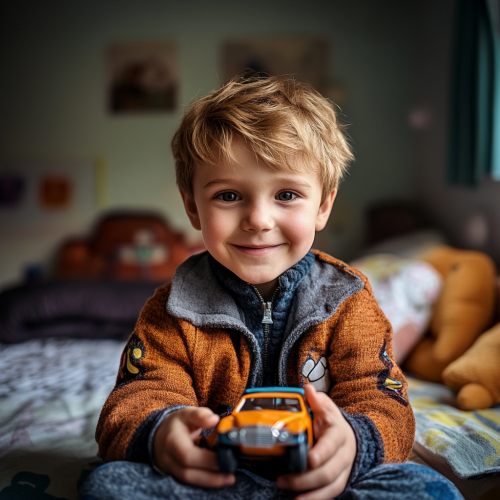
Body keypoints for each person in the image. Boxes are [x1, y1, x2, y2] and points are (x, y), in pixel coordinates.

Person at [80, 75, 463, 500]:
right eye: (228, 196)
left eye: (286, 194)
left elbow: (383, 399)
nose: (259, 220)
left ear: (323, 206)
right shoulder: (173, 309)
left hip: (319, 480)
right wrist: (161, 432)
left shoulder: (349, 301)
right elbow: (136, 396)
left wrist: (353, 444)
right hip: (209, 477)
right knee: (106, 485)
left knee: (429, 488)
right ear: (192, 206)